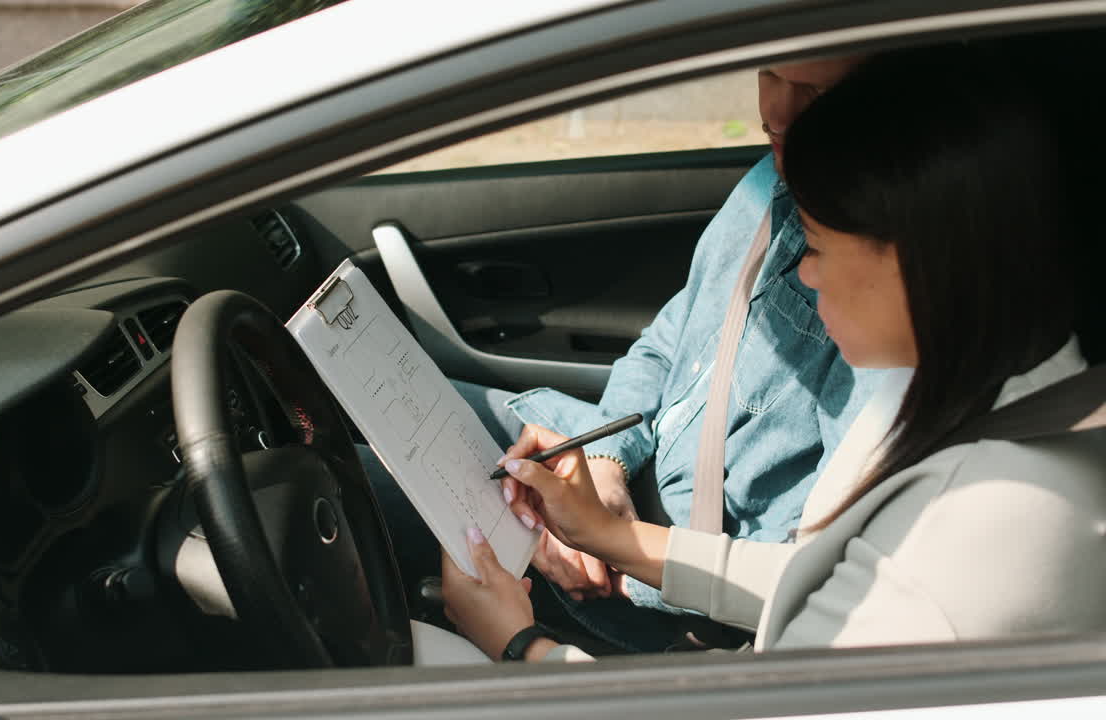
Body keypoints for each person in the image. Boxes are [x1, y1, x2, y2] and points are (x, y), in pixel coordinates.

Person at [441, 45, 1106, 662]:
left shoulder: (971, 528)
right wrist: (608, 528)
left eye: (815, 246)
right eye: (769, 74)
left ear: (916, 259)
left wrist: (519, 646)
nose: (803, 274)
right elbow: (814, 572)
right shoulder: (950, 390)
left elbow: (768, 691)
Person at [364, 54, 884, 652]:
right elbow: (667, 343)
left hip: (666, 593)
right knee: (374, 406)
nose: (775, 111)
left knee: (345, 485)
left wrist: (614, 556)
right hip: (621, 477)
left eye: (814, 92)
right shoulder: (768, 183)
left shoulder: (880, 296)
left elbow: (810, 572)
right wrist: (608, 464)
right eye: (768, 72)